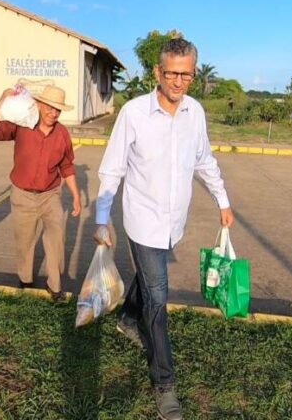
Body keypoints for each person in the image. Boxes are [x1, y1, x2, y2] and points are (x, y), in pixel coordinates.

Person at [94, 38, 234, 420]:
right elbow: (112, 168)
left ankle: (126, 319)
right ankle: (165, 384)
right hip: (142, 220)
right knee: (158, 299)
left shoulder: (195, 113)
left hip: (174, 223)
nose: (178, 81)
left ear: (193, 73)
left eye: (185, 73)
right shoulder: (135, 114)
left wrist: (222, 200)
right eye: (171, 72)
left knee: (148, 277)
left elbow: (204, 160)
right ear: (158, 72)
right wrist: (102, 217)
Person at [0, 85, 81, 301]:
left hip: (50, 195)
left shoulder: (62, 133)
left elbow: (67, 166)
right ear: (38, 104)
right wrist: (1, 100)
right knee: (24, 240)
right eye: (50, 107)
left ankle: (54, 286)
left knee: (56, 238)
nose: (53, 113)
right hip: (22, 195)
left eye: (58, 110)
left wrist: (76, 196)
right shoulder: (23, 124)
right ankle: (25, 279)